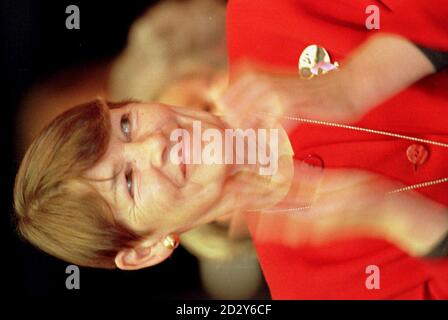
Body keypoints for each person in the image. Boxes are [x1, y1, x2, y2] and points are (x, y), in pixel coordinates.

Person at [14, 0, 448, 299]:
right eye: (129, 181)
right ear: (146, 250)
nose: (155, 145)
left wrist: (358, 81)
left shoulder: (266, 14)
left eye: (126, 124)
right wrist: (397, 217)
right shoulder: (309, 288)